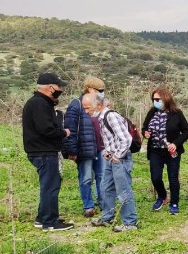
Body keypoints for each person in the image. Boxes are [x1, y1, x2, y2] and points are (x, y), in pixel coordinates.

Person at [23, 73, 73, 231]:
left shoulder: (39, 102)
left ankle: (42, 217)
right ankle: (50, 222)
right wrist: (64, 133)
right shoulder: (40, 104)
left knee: (48, 185)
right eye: (59, 86)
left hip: (40, 150)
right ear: (51, 88)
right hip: (44, 151)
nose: (60, 89)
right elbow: (46, 129)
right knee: (51, 186)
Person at [83, 92, 138, 232]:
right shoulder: (102, 118)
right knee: (106, 187)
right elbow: (112, 139)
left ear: (99, 105)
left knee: (123, 190)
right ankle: (107, 217)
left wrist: (118, 156)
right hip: (110, 158)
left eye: (88, 108)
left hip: (119, 159)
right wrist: (107, 152)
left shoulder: (111, 116)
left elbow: (126, 139)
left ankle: (130, 222)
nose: (86, 111)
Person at [141, 87, 188, 215]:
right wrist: (145, 133)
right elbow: (145, 128)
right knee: (155, 177)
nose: (155, 101)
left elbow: (186, 131)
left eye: (158, 99)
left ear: (166, 98)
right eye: (154, 99)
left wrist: (176, 143)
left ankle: (174, 203)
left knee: (173, 178)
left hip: (171, 151)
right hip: (155, 151)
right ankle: (162, 196)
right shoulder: (152, 112)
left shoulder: (177, 113)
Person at [63, 76, 105, 218]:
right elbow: (70, 129)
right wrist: (72, 150)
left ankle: (103, 202)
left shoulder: (100, 105)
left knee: (101, 176)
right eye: (100, 90)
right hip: (85, 148)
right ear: (90, 89)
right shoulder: (77, 105)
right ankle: (88, 205)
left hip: (100, 147)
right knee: (86, 178)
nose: (102, 93)